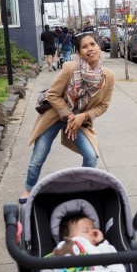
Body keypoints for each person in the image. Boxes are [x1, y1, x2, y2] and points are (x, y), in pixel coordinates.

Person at [18, 32, 115, 203]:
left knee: (91, 156)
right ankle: (29, 188)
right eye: (84, 46)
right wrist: (69, 115)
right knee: (38, 156)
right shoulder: (70, 68)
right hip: (55, 116)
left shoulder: (108, 76)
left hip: (79, 122)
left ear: (99, 47)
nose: (90, 49)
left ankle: (81, 190)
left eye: (92, 44)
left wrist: (83, 116)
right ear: (79, 52)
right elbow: (52, 94)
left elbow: (103, 106)